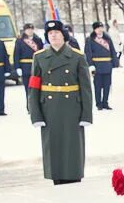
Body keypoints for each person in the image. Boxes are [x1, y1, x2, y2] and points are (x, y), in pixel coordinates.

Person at [28, 20, 93, 185]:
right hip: (49, 109)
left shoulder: (77, 57)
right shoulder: (40, 57)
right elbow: (34, 87)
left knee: (72, 146)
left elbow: (85, 88)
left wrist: (86, 114)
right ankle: (56, 177)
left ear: (64, 36)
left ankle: (73, 176)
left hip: (72, 108)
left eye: (56, 33)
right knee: (53, 146)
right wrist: (35, 114)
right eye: (50, 34)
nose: (53, 36)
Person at [87, 21, 118, 110]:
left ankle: (105, 102)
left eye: (101, 27)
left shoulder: (107, 38)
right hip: (97, 65)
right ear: (94, 29)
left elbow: (112, 51)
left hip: (107, 65)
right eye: (98, 28)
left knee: (107, 85)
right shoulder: (90, 39)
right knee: (98, 85)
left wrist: (115, 62)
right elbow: (88, 53)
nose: (100, 30)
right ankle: (98, 103)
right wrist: (91, 65)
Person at [13, 23, 44, 90]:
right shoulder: (20, 41)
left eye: (31, 29)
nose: (30, 31)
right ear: (24, 31)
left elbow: (42, 53)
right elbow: (16, 55)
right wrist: (17, 67)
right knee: (27, 88)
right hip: (25, 67)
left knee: (36, 88)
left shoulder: (38, 40)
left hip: (36, 66)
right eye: (28, 29)